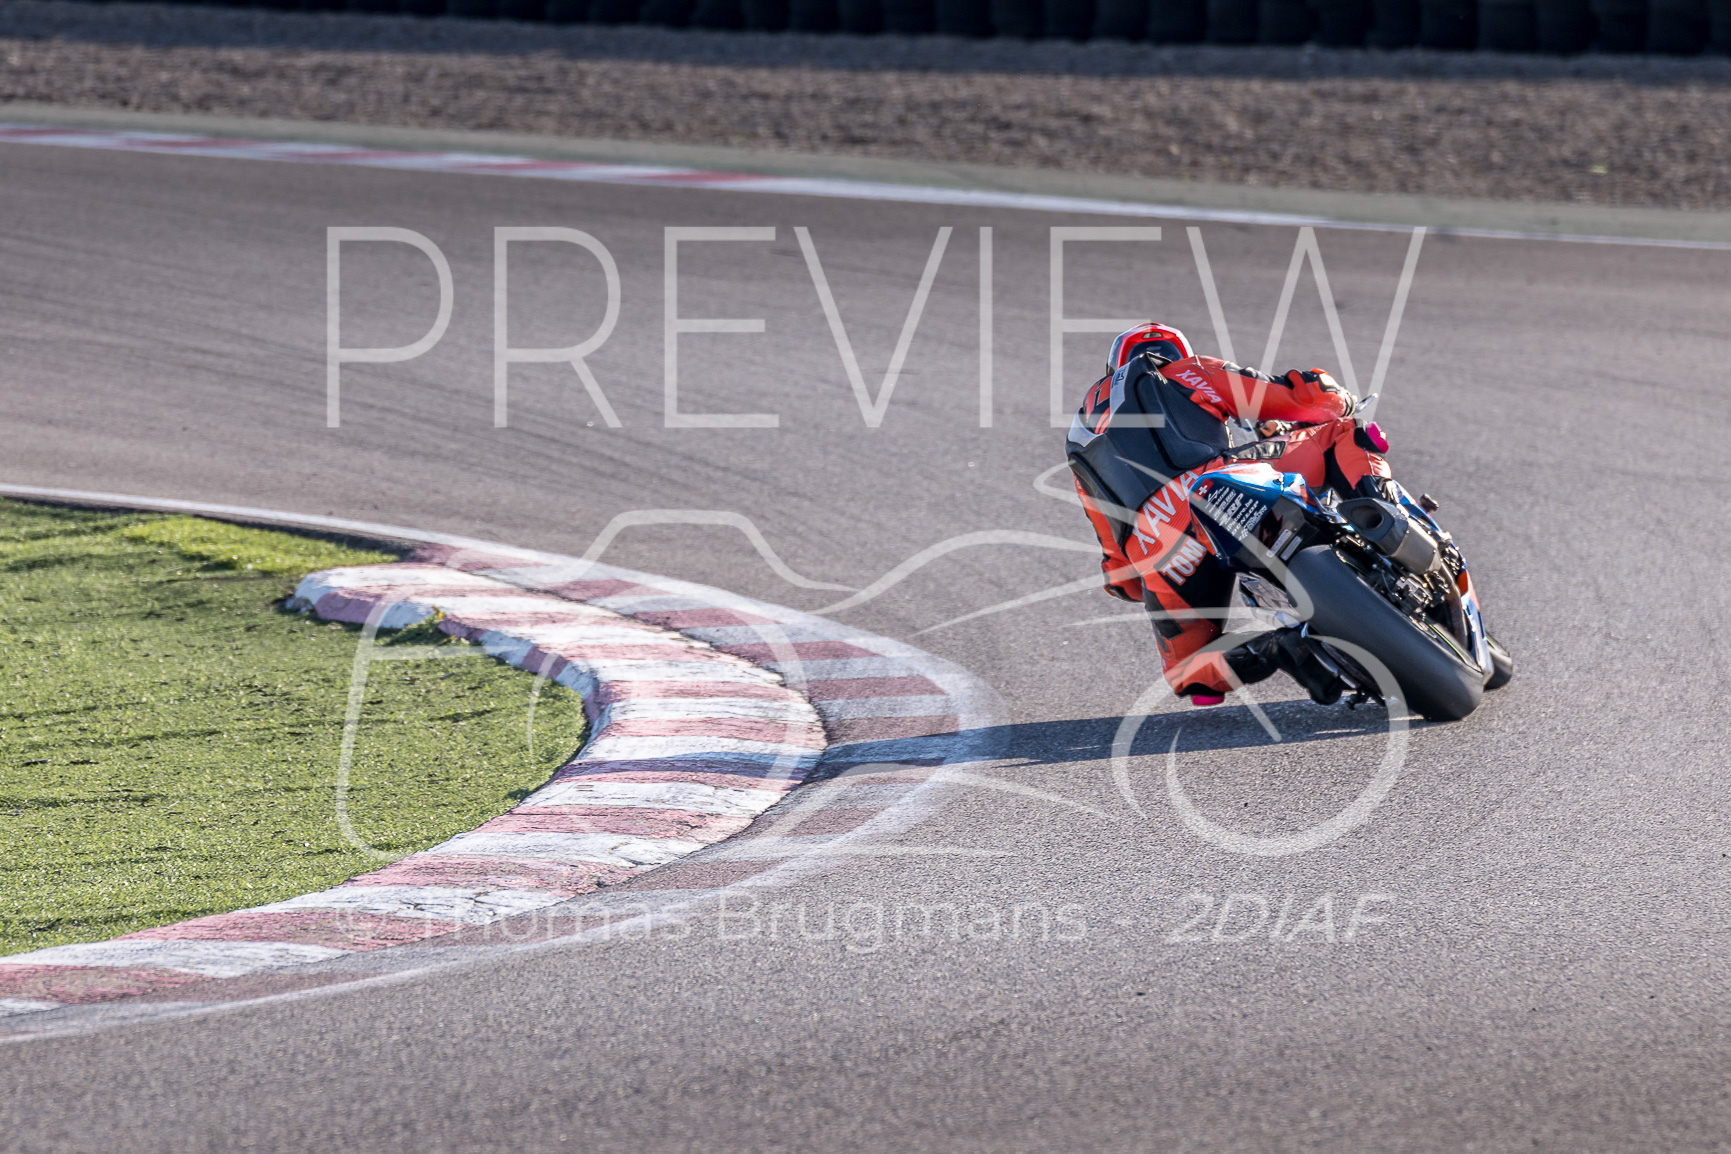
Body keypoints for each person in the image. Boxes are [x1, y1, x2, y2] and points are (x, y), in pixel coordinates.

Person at [1066, 322, 1397, 707]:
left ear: (1112, 368)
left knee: (1187, 673)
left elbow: (1114, 553)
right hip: (1215, 483)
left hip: (1157, 542)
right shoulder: (1181, 371)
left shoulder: (1079, 439)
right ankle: (1387, 519)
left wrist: (1136, 584)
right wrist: (1341, 400)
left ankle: (1279, 648)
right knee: (1344, 432)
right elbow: (1302, 396)